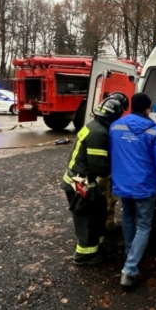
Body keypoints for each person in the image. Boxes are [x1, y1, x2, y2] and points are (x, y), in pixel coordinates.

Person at [109, 92, 156, 288]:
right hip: (145, 184)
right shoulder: (155, 130)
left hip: (123, 183)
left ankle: (131, 253)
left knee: (128, 216)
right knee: (144, 225)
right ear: (147, 109)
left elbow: (113, 153)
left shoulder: (115, 126)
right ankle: (129, 269)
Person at [61, 93, 129, 265]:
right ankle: (84, 255)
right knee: (88, 219)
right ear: (113, 117)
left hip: (80, 179)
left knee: (98, 213)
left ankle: (97, 247)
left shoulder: (93, 126)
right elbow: (99, 167)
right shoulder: (99, 134)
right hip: (80, 183)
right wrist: (120, 177)